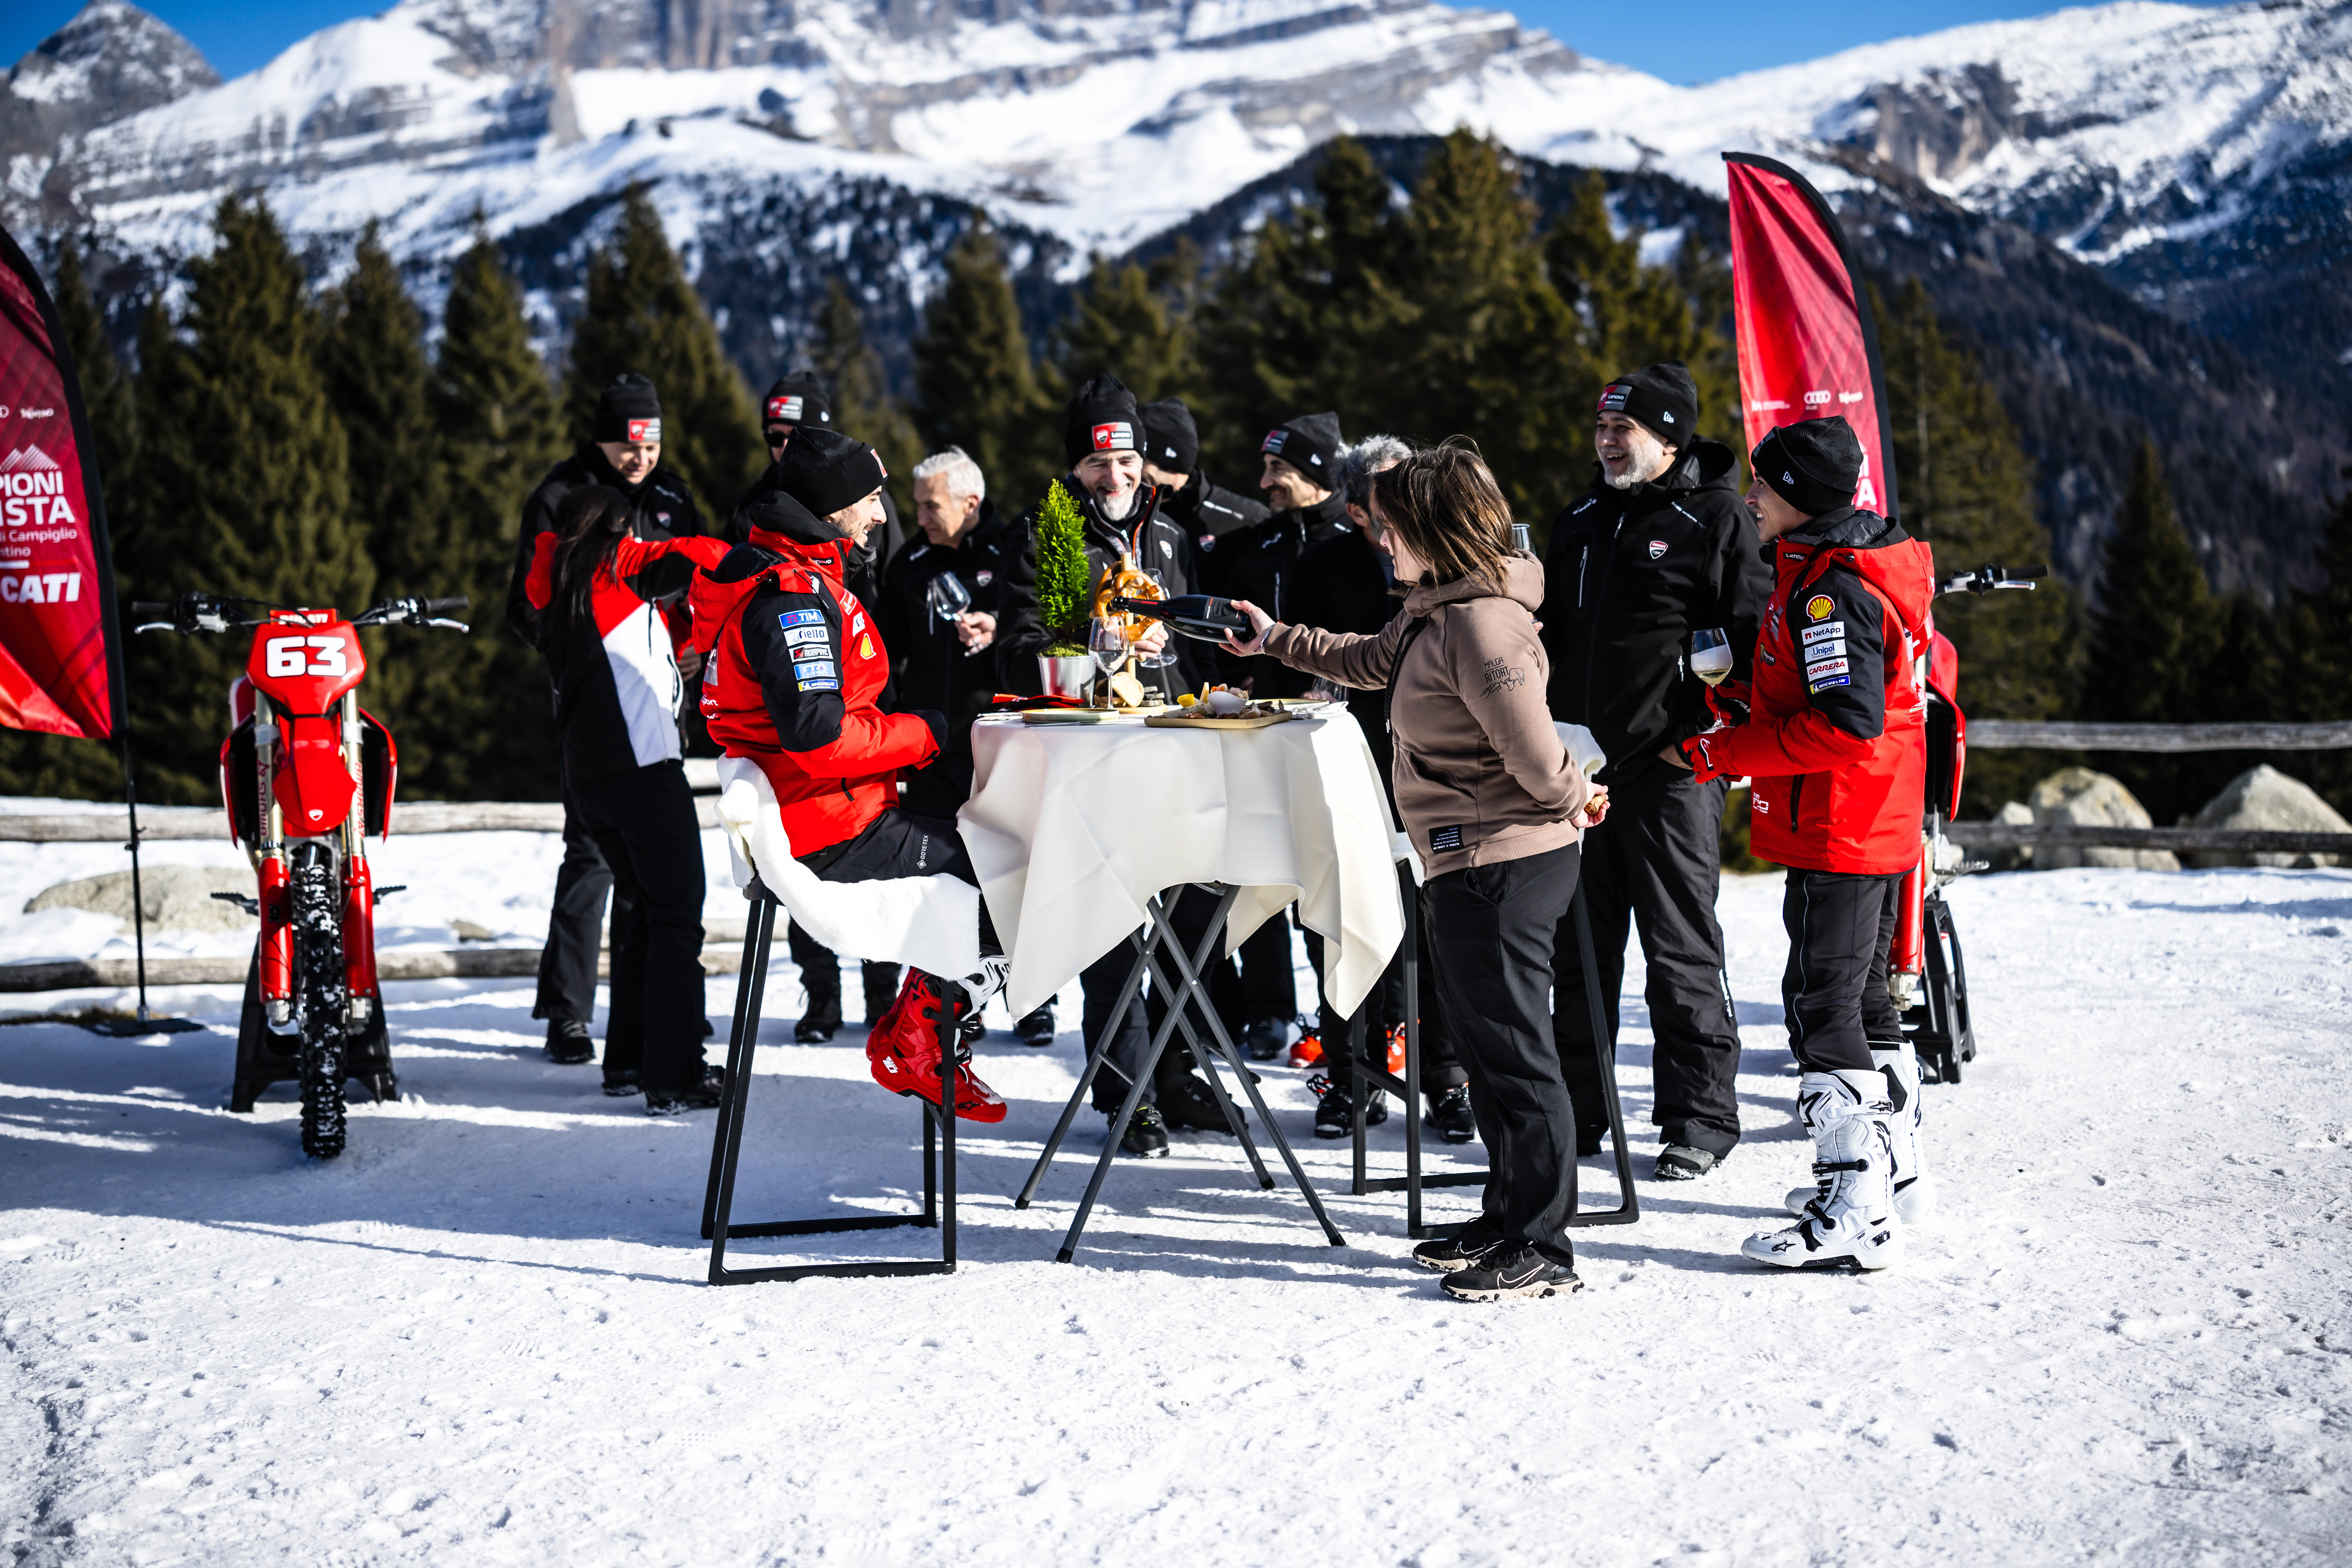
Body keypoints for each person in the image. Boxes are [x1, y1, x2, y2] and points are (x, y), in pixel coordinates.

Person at [1223, 443, 1610, 1303]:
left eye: (1392, 526)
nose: (1381, 540)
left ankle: (1543, 1245)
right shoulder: (1435, 609)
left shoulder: (1481, 624)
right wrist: (1274, 638)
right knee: (1488, 1050)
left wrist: (1578, 794)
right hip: (1464, 860)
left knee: (1516, 1056)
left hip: (1503, 863)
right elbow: (1370, 660)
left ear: (1434, 528)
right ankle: (1507, 1216)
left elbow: (1536, 758)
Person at [692, 425, 1011, 1122]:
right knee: (1013, 873)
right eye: (870, 500)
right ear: (832, 506)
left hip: (836, 811)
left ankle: (917, 1028)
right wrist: (927, 732)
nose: (880, 515)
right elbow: (819, 736)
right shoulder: (791, 597)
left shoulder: (801, 575)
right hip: (829, 831)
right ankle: (922, 1040)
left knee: (997, 841)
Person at [1677, 416, 1935, 1271]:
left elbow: (1846, 726)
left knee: (1822, 1010)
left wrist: (1725, 751)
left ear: (1799, 496)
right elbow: (1843, 694)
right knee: (1861, 1004)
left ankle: (1855, 1205)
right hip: (1871, 814)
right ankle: (1893, 1175)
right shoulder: (1836, 564)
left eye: (1764, 483)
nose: (1750, 496)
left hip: (1845, 821)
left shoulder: (1832, 590)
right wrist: (1744, 700)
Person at [995, 373, 1237, 1156]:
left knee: (1191, 920)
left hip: (1177, 749)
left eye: (1127, 460)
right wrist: (1094, 645)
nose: (1116, 475)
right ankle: (1126, 1091)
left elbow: (1196, 635)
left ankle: (1178, 1072)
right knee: (1113, 928)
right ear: (1076, 467)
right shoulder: (1047, 532)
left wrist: (1212, 675)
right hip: (1093, 756)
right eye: (1099, 462)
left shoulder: (1168, 533)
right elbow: (1017, 647)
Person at [1539, 362, 1769, 1180]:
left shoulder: (1716, 517)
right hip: (1580, 772)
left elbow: (1752, 642)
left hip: (1674, 772)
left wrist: (1702, 737)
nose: (1606, 441)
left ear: (1668, 438)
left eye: (1622, 428)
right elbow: (1549, 637)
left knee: (1679, 949)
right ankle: (1578, 1112)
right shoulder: (1579, 519)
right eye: (1601, 427)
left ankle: (1699, 1118)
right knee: (1578, 952)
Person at [505, 374, 705, 1068]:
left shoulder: (672, 497)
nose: (640, 457)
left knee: (653, 875)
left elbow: (696, 583)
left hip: (660, 697)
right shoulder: (562, 497)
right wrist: (578, 656)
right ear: (601, 440)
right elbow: (526, 604)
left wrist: (692, 647)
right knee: (591, 853)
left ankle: (653, 1013)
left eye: (651, 443)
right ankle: (568, 1010)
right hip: (595, 706)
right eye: (628, 445)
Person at [1284, 435, 1475, 1144]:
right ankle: (1352, 1074)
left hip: (1435, 771)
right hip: (1347, 767)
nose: (1406, 503)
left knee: (1442, 925)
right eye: (1388, 493)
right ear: (1358, 509)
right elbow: (1302, 669)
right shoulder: (1321, 564)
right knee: (1344, 923)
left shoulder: (1450, 559)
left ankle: (1447, 1078)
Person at [522, 484, 729, 1112]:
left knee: (641, 911)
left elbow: (633, 639)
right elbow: (709, 555)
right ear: (617, 534)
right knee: (677, 918)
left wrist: (681, 634)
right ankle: (674, 1075)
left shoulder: (563, 587)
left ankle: (630, 1063)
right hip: (646, 775)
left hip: (591, 783)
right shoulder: (616, 567)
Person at [732, 375, 900, 1041]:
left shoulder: (856, 512)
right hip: (818, 750)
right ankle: (824, 997)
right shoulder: (768, 529)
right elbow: (808, 723)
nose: (782, 448)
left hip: (862, 707)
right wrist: (923, 734)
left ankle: (886, 998)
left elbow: (889, 597)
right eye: (773, 436)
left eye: (792, 436)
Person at [876, 446, 1059, 1049]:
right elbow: (885, 655)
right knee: (941, 881)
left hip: (1005, 745)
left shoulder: (1014, 549)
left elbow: (1044, 630)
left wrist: (998, 626)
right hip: (932, 749)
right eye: (918, 505)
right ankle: (951, 998)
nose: (921, 516)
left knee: (1014, 874)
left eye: (932, 505)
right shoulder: (909, 563)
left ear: (971, 503)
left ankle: (1032, 997)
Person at [1222, 412, 1350, 696]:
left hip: (1343, 705)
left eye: (1278, 467)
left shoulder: (1360, 533)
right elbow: (1233, 613)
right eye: (1266, 467)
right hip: (1271, 704)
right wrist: (1244, 674)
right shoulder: (1264, 538)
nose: (1265, 482)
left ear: (1315, 471)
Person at [1139, 397, 1268, 569]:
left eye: (1138, 459)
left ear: (1171, 463)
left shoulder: (1246, 520)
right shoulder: (1126, 513)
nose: (1127, 471)